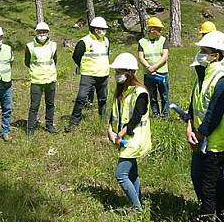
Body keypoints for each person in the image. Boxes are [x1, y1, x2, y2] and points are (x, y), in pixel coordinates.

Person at [186, 30, 224, 222]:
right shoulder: (203, 75)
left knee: (209, 184)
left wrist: (199, 135)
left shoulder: (223, 80)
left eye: (204, 51)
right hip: (201, 137)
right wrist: (189, 126)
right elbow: (194, 104)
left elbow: (215, 114)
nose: (200, 54)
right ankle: (219, 215)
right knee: (199, 177)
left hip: (217, 140)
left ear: (216, 55)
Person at [107, 53, 151, 210]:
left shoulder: (140, 93)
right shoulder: (121, 91)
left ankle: (136, 208)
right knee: (132, 173)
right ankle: (139, 201)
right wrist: (110, 129)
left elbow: (137, 116)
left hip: (135, 138)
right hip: (124, 138)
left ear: (129, 73)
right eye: (116, 72)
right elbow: (114, 112)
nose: (117, 75)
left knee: (121, 174)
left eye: (120, 72)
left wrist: (123, 132)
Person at [65, 16, 110, 132]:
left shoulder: (106, 41)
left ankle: (102, 119)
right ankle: (74, 122)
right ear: (95, 29)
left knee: (103, 99)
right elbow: (76, 56)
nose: (104, 31)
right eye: (102, 29)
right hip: (88, 75)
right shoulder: (84, 42)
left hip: (103, 75)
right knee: (81, 98)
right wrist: (83, 66)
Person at [25, 22, 59, 135]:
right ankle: (30, 128)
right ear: (36, 32)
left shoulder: (53, 45)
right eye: (40, 32)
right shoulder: (30, 46)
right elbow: (27, 62)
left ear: (48, 33)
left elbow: (55, 60)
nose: (42, 34)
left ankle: (49, 125)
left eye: (44, 32)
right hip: (36, 80)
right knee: (34, 106)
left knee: (50, 104)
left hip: (51, 80)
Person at [138, 17, 170, 118]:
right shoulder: (142, 41)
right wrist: (148, 67)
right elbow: (140, 57)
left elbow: (165, 56)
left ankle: (165, 115)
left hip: (162, 73)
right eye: (158, 29)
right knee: (152, 96)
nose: (160, 31)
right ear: (152, 29)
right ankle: (155, 114)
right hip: (149, 74)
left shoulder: (163, 40)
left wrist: (155, 66)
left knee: (164, 95)